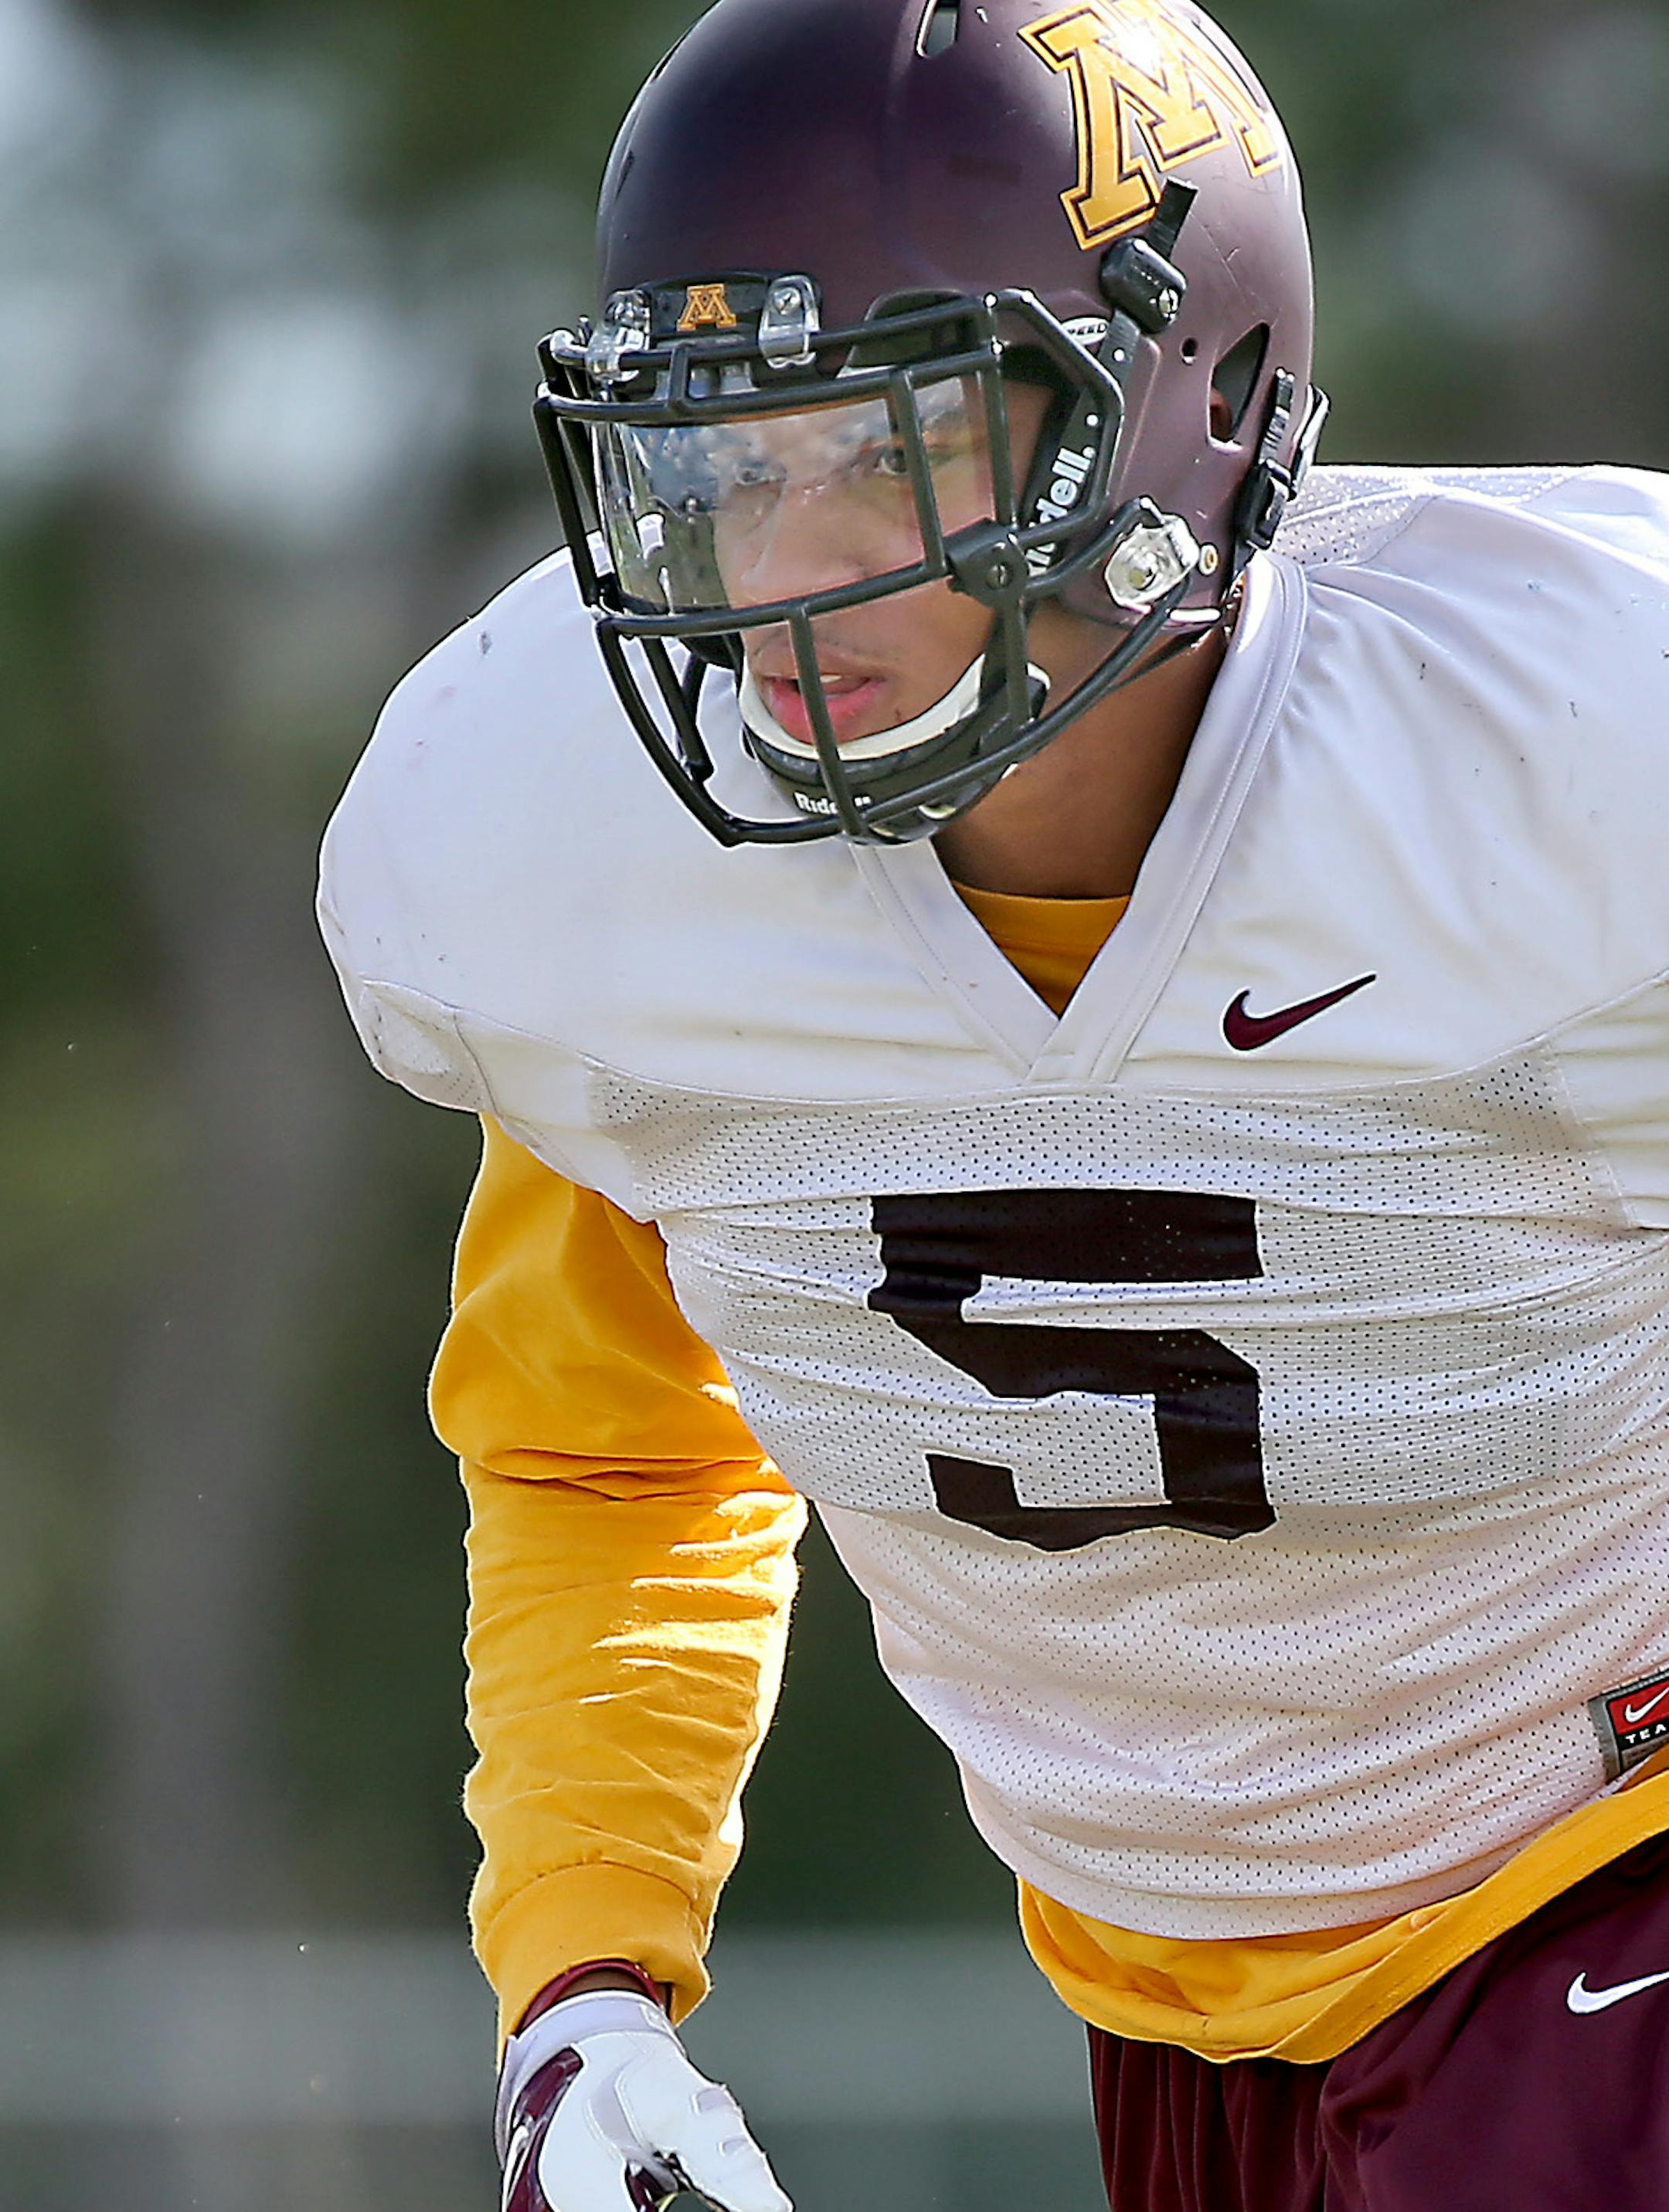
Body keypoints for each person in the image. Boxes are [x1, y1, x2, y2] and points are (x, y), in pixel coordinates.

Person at [318, 0, 1669, 2204]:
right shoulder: (581, 880)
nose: (782, 573)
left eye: (896, 448)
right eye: (723, 467)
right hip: (1171, 1989)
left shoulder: (1569, 761)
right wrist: (582, 1979)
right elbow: (611, 1447)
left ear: (1188, 398)